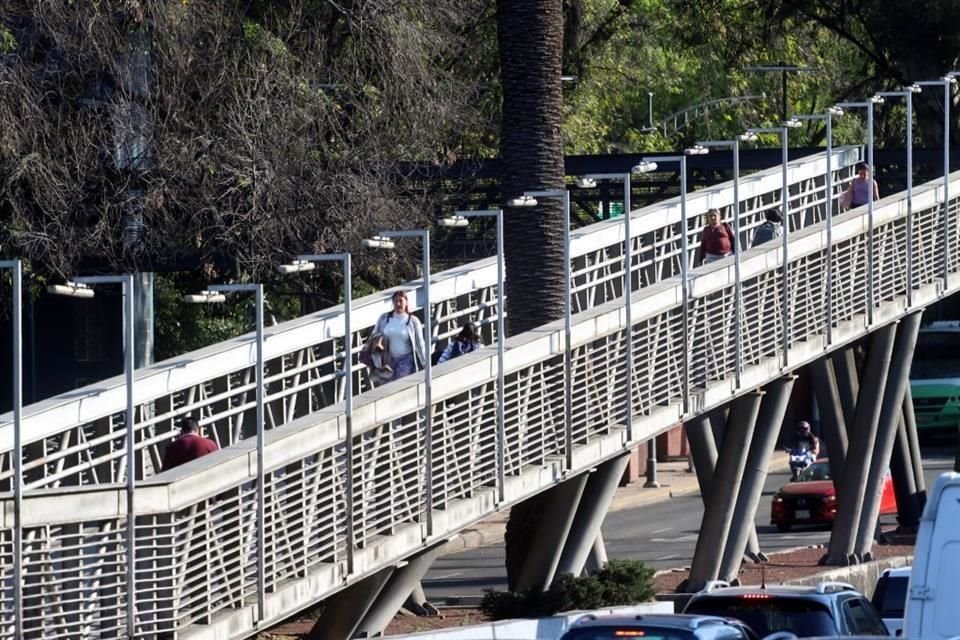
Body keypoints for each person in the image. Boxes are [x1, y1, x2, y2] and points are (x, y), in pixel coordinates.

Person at [371, 290, 427, 382]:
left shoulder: (412, 321)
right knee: (388, 388)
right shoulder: (384, 318)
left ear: (406, 302)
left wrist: (425, 364)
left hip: (405, 360)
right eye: (395, 301)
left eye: (401, 301)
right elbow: (374, 336)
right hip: (388, 360)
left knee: (400, 385)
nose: (398, 304)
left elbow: (419, 344)